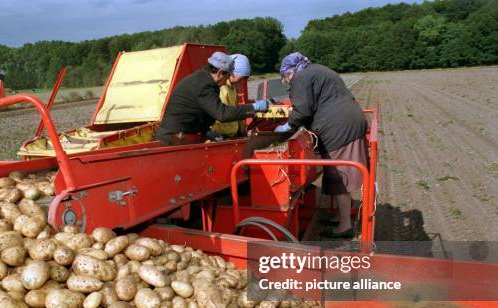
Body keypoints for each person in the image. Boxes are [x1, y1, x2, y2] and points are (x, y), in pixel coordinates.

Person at [275, 52, 368, 239]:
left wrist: (287, 127)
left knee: (339, 178)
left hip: (338, 127)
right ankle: (344, 220)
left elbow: (302, 110)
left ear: (291, 71)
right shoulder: (318, 69)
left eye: (285, 77)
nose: (286, 81)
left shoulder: (301, 77)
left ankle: (344, 227)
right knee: (342, 175)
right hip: (349, 120)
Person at [156, 52, 268, 145]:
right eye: (227, 76)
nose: (226, 81)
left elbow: (200, 114)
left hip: (178, 135)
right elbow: (222, 114)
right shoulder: (205, 86)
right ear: (220, 73)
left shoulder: (201, 79)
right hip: (173, 139)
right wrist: (254, 107)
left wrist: (207, 131)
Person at [211, 54, 251, 138]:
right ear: (232, 72)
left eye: (244, 79)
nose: (241, 82)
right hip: (221, 134)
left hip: (231, 133)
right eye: (240, 79)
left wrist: (240, 125)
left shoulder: (233, 89)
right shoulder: (222, 89)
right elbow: (221, 116)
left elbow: (234, 110)